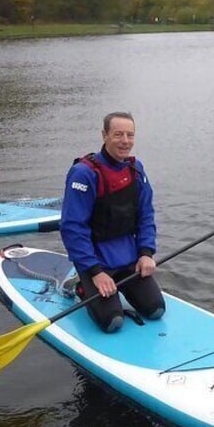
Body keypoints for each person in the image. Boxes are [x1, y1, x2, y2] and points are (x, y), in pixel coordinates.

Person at [60, 112, 166, 333]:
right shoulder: (84, 174)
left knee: (156, 310)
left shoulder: (136, 170)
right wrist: (95, 272)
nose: (125, 141)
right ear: (104, 135)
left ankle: (121, 288)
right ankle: (82, 287)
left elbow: (146, 214)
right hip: (96, 262)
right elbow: (73, 228)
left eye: (130, 135)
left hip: (128, 258)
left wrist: (146, 252)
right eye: (118, 134)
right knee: (113, 323)